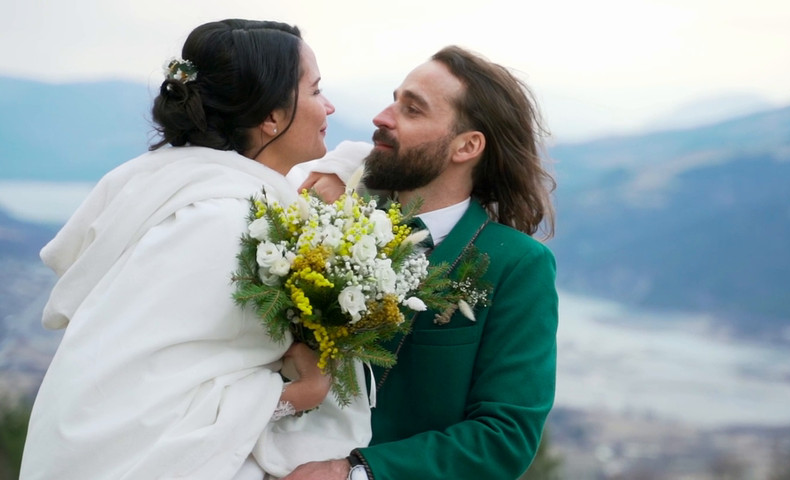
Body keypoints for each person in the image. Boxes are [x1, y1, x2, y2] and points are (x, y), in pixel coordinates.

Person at [21, 19, 369, 480]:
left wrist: (354, 163)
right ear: (271, 117)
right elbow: (151, 407)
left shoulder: (193, 187)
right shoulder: (219, 223)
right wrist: (301, 394)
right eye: (315, 90)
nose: (329, 106)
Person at [284, 45, 558, 480]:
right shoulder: (329, 215)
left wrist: (355, 473)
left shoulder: (518, 265)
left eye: (411, 110)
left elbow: (506, 435)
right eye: (394, 100)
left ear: (467, 146)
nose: (382, 116)